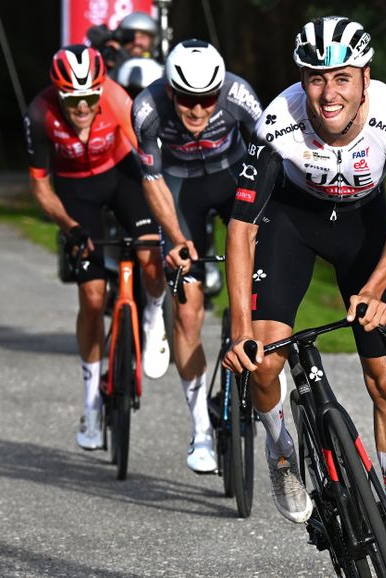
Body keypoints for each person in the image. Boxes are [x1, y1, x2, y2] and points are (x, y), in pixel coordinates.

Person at [222, 16, 386, 578]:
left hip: (364, 232)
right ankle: (280, 450)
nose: (328, 93)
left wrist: (373, 288)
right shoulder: (278, 122)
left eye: (341, 78)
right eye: (316, 79)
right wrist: (241, 324)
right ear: (303, 81)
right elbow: (242, 226)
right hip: (290, 224)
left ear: (365, 78)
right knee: (264, 361)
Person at [24, 45, 170, 451]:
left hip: (121, 175)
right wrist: (69, 228)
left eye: (91, 97)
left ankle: (154, 318)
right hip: (76, 189)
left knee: (150, 258)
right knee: (91, 297)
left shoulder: (117, 99)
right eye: (75, 100)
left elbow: (149, 160)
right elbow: (40, 186)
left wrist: (162, 211)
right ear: (58, 94)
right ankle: (90, 403)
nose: (85, 108)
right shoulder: (40, 113)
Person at [132, 39, 263, 473]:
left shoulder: (240, 95)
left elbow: (268, 162)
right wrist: (174, 238)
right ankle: (201, 430)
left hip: (233, 181)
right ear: (170, 91)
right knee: (188, 312)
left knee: (266, 276)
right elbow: (151, 181)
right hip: (179, 191)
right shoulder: (147, 108)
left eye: (207, 99)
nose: (197, 111)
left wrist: (264, 229)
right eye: (187, 100)